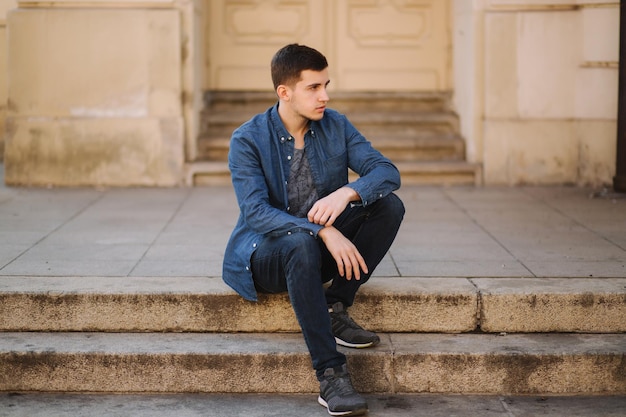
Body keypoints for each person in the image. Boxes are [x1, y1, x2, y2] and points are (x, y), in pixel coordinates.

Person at [222, 43, 404, 416]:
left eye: (326, 85)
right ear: (284, 93)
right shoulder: (248, 139)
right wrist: (321, 231)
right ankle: (331, 373)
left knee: (387, 205)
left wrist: (348, 192)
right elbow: (256, 213)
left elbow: (387, 172)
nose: (325, 96)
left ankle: (335, 305)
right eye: (313, 88)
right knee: (300, 244)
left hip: (314, 250)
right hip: (267, 254)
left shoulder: (335, 125)